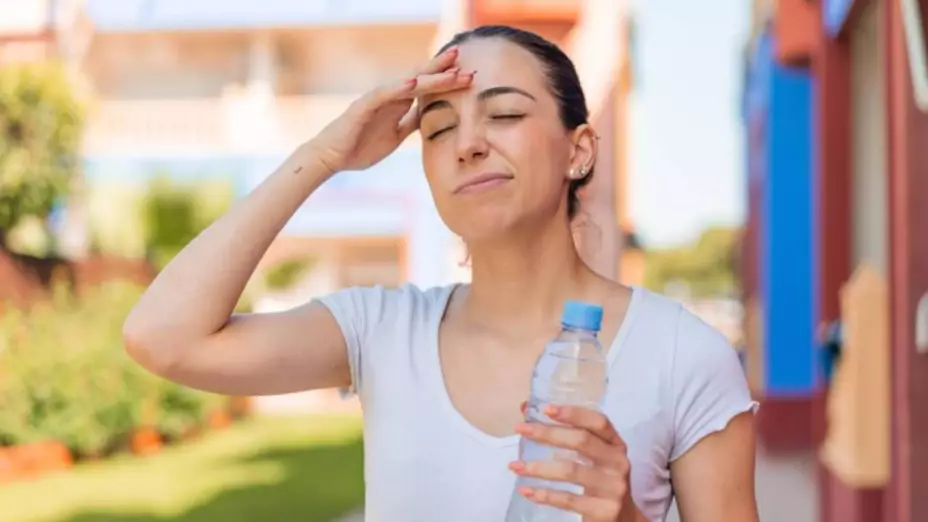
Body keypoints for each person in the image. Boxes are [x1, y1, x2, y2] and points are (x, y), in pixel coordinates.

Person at [123, 25, 759, 522]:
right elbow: (162, 337)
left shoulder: (685, 356)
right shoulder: (380, 329)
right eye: (438, 128)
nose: (467, 144)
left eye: (504, 115)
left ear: (579, 150)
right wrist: (322, 156)